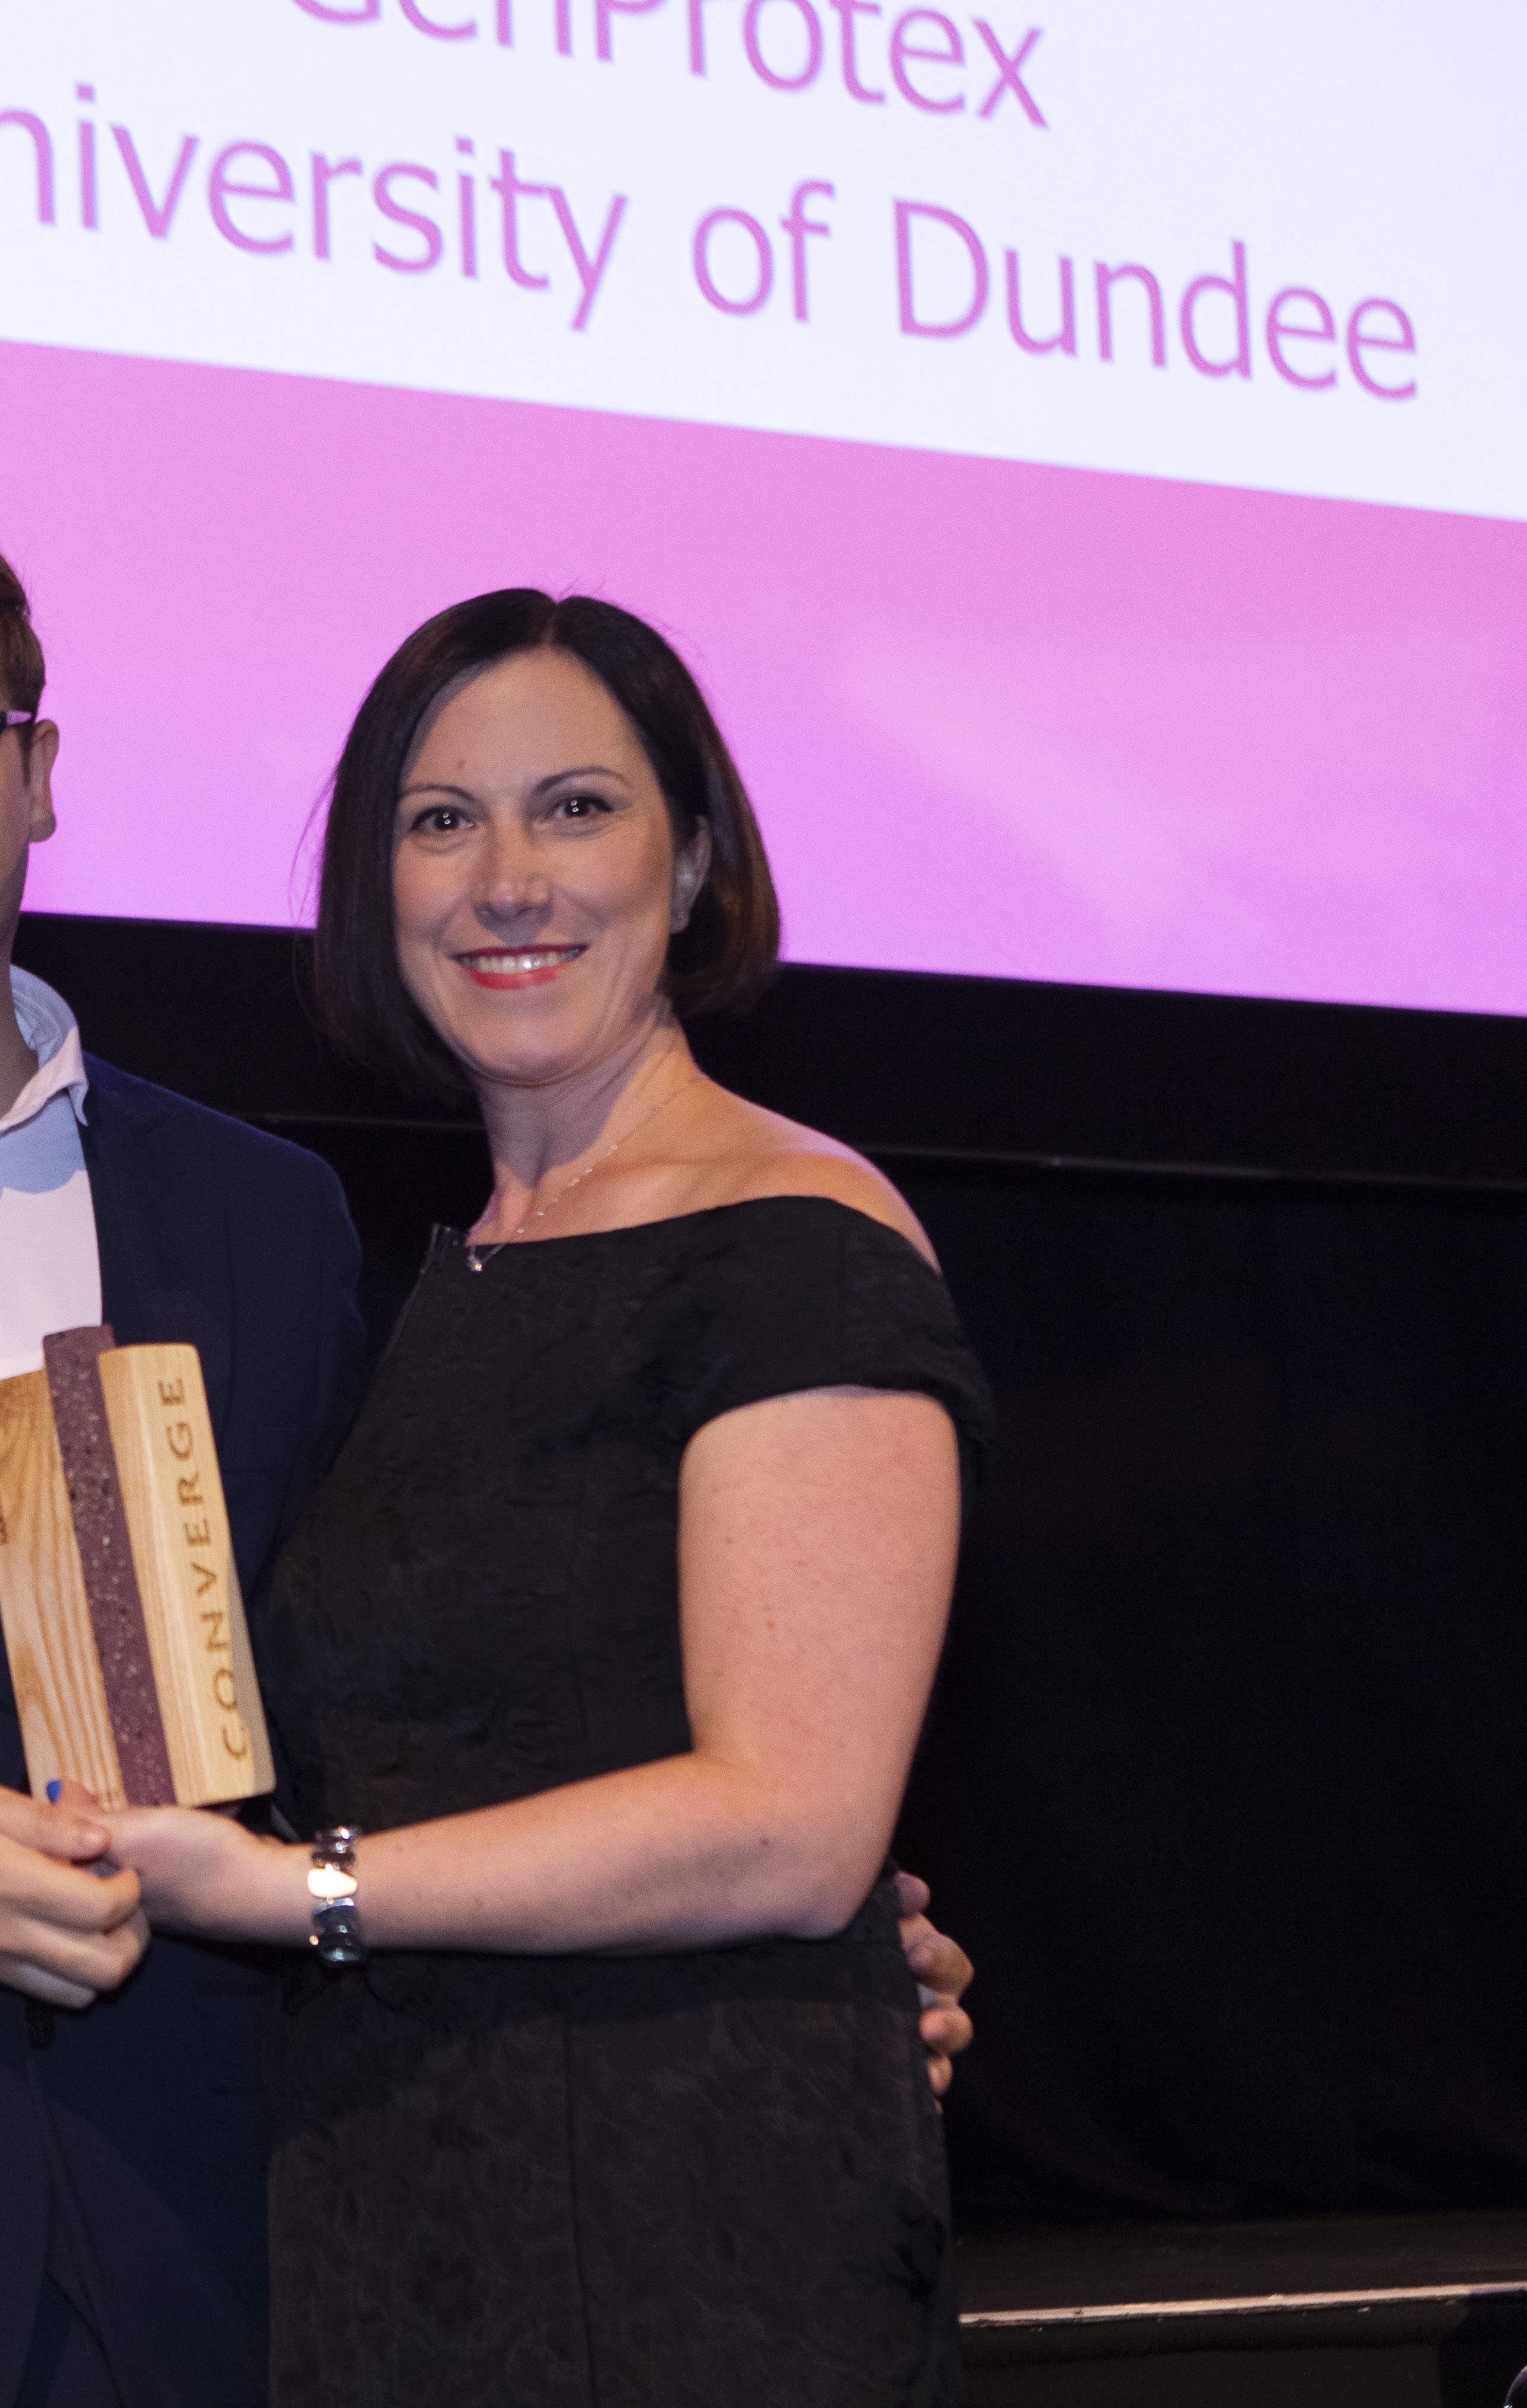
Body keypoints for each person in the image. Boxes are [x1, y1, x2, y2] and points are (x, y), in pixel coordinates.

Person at [0, 521, 971, 2408]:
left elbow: (372, 1726)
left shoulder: (265, 1219)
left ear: (39, 776)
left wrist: (797, 1920)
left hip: (245, 2273)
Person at [98, 591, 988, 2404]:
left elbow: (791, 1829)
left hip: (688, 2243)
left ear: (694, 861)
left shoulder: (795, 1238)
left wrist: (304, 1896)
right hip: (406, 2211)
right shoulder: (434, 1280)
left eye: (576, 807)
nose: (509, 879)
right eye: (442, 822)